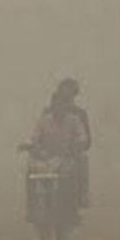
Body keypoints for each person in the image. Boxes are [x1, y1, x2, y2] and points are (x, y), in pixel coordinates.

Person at [51, 78, 91, 207]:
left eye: (69, 96)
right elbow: (37, 135)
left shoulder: (80, 114)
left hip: (72, 153)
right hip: (50, 153)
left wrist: (77, 146)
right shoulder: (47, 113)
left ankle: (82, 195)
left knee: (83, 159)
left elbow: (87, 140)